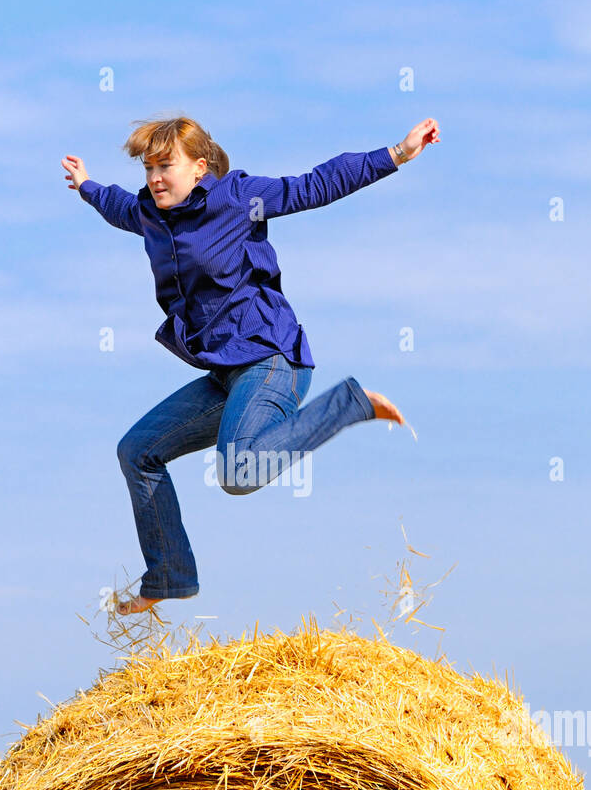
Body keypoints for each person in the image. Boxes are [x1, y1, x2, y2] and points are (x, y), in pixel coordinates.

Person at [61, 114, 440, 614]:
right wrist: (86, 184)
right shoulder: (149, 213)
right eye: (148, 168)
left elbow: (315, 185)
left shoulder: (238, 199)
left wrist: (396, 153)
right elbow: (116, 205)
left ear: (199, 167)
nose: (154, 178)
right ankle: (170, 574)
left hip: (271, 359)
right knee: (137, 451)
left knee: (238, 471)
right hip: (224, 372)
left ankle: (349, 405)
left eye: (165, 166)